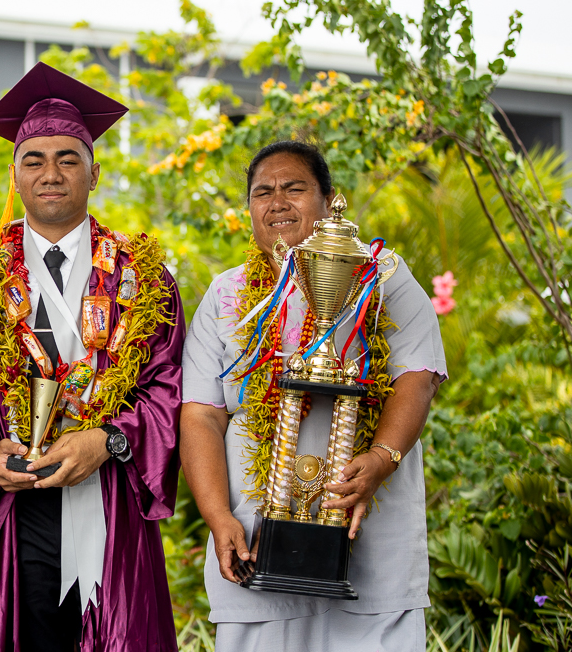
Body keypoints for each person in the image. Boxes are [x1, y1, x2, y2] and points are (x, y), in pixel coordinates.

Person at [0, 62, 185, 651]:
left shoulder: (144, 278)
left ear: (94, 172)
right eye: (34, 159)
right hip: (18, 511)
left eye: (69, 158)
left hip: (110, 498)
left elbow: (169, 387)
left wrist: (111, 439)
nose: (52, 173)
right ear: (14, 176)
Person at [180, 140, 446, 650]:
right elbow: (201, 415)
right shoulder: (227, 293)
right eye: (263, 192)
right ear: (250, 210)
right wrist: (218, 517)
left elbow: (418, 376)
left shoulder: (381, 276)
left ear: (328, 200)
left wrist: (382, 458)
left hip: (371, 543)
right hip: (256, 540)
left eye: (294, 187)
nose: (277, 201)